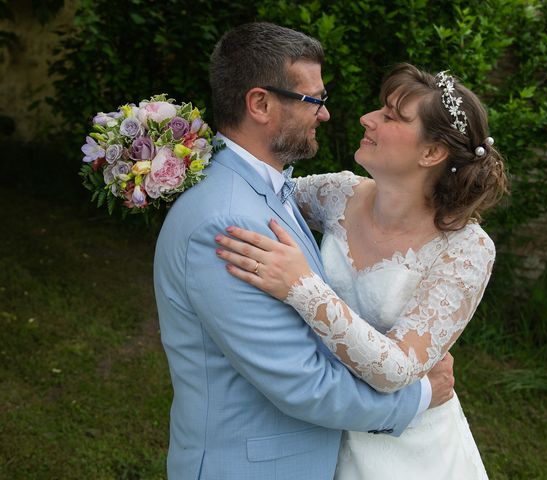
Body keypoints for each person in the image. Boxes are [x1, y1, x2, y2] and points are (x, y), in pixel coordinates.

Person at [153, 23, 454, 480]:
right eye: (314, 100)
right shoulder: (227, 223)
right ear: (260, 103)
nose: (326, 114)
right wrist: (420, 397)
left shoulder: (272, 189)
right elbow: (305, 385)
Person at [215, 63, 509, 479]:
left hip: (406, 451)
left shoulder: (467, 250)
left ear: (431, 153)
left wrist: (301, 286)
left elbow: (397, 370)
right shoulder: (339, 193)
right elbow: (253, 192)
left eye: (390, 117)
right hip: (319, 426)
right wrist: (169, 160)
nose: (367, 119)